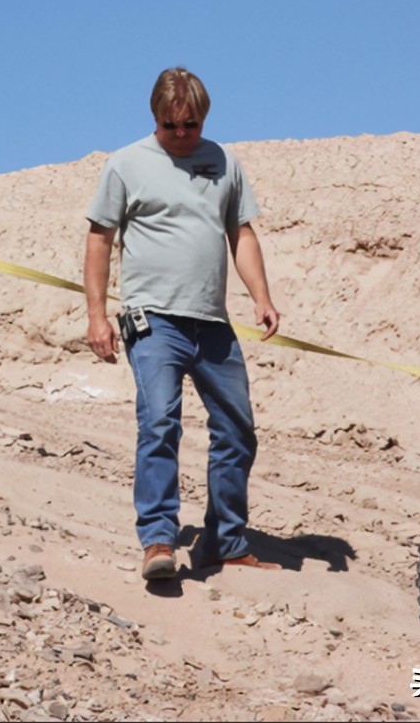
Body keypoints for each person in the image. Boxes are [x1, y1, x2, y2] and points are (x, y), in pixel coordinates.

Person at [83, 67, 283, 581]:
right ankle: (157, 541)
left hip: (213, 324)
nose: (181, 135)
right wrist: (97, 316)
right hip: (154, 322)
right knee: (159, 423)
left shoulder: (223, 162)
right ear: (155, 118)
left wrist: (260, 296)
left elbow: (241, 234)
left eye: (190, 125)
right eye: (171, 126)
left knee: (238, 432)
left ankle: (225, 541)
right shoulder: (126, 164)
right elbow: (99, 240)